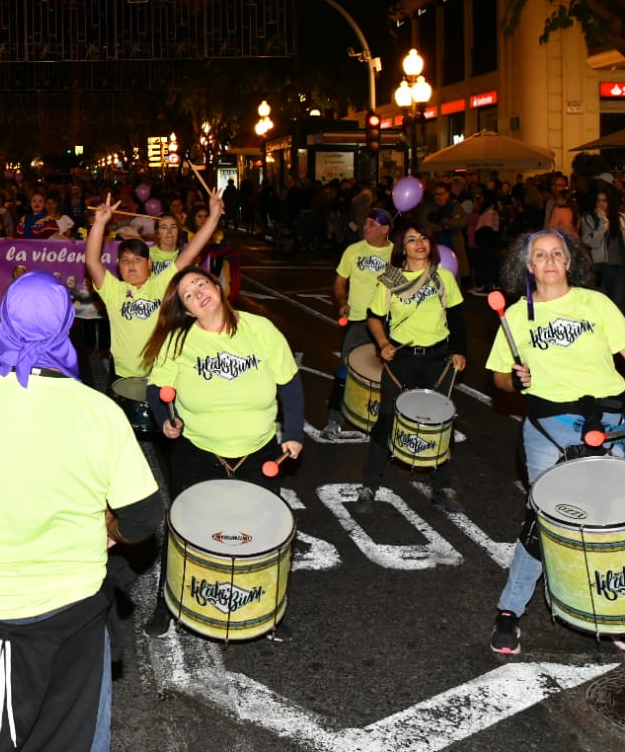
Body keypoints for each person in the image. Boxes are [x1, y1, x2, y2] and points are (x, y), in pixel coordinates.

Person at [0, 272, 162, 751]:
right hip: (73, 612)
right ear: (67, 327)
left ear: (3, 322)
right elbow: (143, 520)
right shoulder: (98, 411)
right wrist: (109, 525)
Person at [485, 229, 625, 656]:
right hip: (550, 424)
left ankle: (622, 612)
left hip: (612, 419)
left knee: (621, 519)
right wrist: (514, 377)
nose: (548, 261)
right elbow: (498, 379)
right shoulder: (516, 315)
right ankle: (509, 612)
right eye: (539, 255)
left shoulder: (595, 304)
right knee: (545, 518)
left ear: (569, 261)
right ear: (528, 266)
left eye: (556, 254)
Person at [140, 265, 302, 640]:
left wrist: (293, 433)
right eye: (188, 296)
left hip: (257, 451)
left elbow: (290, 383)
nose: (198, 294)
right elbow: (157, 389)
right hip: (198, 451)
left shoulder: (259, 329)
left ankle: (271, 611)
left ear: (218, 286)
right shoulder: (178, 341)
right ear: (188, 310)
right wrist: (166, 420)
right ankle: (167, 602)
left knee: (264, 533)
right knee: (184, 529)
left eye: (201, 284)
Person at [357, 220, 468, 514]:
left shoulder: (444, 278)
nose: (419, 243)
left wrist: (459, 351)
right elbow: (374, 316)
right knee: (387, 419)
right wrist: (382, 343)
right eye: (411, 239)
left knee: (440, 423)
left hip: (438, 359)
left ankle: (441, 488)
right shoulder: (390, 279)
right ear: (401, 248)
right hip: (402, 360)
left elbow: (456, 318)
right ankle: (369, 485)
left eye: (423, 238)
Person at [84, 190, 222, 390]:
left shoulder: (160, 283)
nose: (131, 265)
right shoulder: (113, 289)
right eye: (125, 260)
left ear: (149, 264)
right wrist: (100, 223)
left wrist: (214, 216)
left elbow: (190, 252)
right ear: (118, 266)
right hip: (124, 376)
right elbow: (91, 261)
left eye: (137, 259)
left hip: (160, 374)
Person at [321, 209, 394, 438]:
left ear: (385, 229)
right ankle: (334, 420)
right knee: (345, 368)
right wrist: (342, 301)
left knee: (391, 373)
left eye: (372, 224)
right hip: (358, 321)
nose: (365, 227)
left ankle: (388, 421)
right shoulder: (353, 251)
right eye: (365, 223)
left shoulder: (397, 254)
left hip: (388, 323)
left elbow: (403, 289)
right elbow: (340, 281)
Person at [578, 185, 625, 317]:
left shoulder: (620, 217)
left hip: (622, 267)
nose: (601, 204)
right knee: (601, 306)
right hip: (601, 267)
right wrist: (602, 223)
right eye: (598, 200)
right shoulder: (589, 218)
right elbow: (590, 242)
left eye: (604, 200)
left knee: (618, 304)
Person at [149, 213, 183, 277]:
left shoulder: (186, 256)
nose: (169, 232)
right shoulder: (148, 255)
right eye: (164, 228)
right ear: (158, 233)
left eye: (173, 227)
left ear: (178, 231)